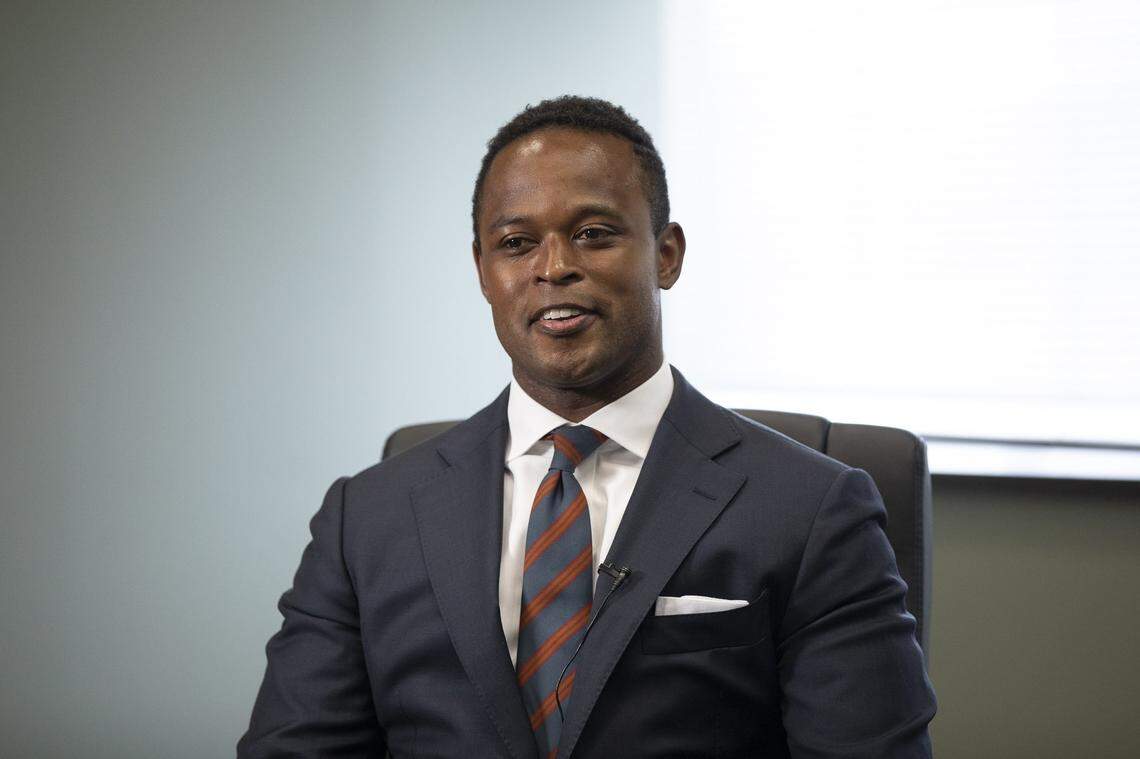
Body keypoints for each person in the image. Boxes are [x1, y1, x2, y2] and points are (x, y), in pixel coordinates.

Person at [238, 95, 936, 758]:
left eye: (593, 234)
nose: (555, 267)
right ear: (483, 271)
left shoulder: (811, 508)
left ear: (666, 254)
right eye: (517, 242)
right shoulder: (367, 518)